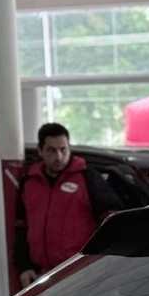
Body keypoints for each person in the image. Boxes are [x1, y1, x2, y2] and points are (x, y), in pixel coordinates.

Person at [14, 123, 119, 287]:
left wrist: (101, 263)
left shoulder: (88, 178)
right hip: (40, 276)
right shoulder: (29, 182)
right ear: (40, 150)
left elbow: (113, 221)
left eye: (63, 150)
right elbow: (21, 227)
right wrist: (24, 266)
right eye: (51, 150)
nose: (58, 156)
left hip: (82, 273)